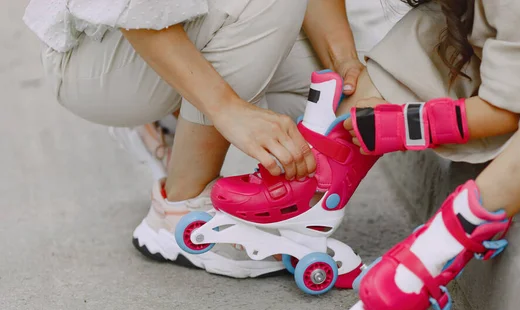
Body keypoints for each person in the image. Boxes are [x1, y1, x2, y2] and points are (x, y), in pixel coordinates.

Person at [325, 0, 520, 310]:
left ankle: (432, 252)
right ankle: (314, 189)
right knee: (425, 29)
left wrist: (406, 124)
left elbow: (507, 111)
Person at [22, 0, 365, 277]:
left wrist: (346, 62)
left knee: (318, 75)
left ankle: (171, 126)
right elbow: (134, 9)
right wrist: (228, 110)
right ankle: (179, 208)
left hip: (175, 21)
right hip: (96, 51)